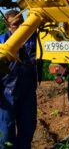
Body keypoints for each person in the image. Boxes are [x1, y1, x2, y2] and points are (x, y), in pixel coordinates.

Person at [0, 10, 37, 149]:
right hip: (6, 92)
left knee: (28, 127)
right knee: (5, 132)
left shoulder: (33, 40)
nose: (21, 27)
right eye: (16, 24)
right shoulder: (2, 41)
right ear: (8, 26)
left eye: (23, 23)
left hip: (28, 91)